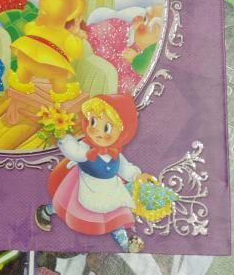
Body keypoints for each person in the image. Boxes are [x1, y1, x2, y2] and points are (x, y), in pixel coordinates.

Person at [35, 94, 153, 253]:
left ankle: (125, 245)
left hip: (111, 190)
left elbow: (125, 168)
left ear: (122, 133)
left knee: (115, 218)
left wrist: (137, 176)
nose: (96, 130)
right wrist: (63, 137)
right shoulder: (86, 148)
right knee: (66, 206)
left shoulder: (115, 154)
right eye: (93, 122)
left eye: (107, 128)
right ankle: (46, 211)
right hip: (85, 187)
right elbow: (74, 151)